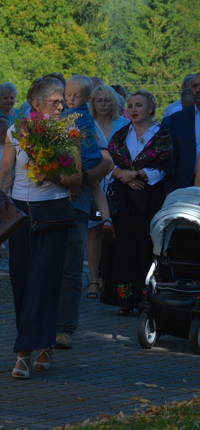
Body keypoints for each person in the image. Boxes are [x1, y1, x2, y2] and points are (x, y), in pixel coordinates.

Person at [0, 77, 81, 379]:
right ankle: (42, 342)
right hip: (20, 213)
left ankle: (24, 352)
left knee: (44, 281)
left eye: (62, 101)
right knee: (22, 281)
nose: (61, 106)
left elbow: (75, 181)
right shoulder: (14, 132)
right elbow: (5, 175)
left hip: (53, 213)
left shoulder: (68, 132)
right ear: (35, 103)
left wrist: (51, 174)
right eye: (55, 101)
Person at [54, 74, 113, 351]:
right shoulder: (40, 124)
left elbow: (106, 162)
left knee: (69, 266)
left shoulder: (81, 122)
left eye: (69, 97)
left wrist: (78, 176)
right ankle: (43, 324)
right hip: (46, 204)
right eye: (63, 97)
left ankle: (65, 327)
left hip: (76, 205)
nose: (64, 102)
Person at [101, 91, 172, 315]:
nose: (133, 109)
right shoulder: (121, 135)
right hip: (123, 200)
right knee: (122, 247)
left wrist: (138, 174)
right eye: (130, 105)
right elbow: (107, 164)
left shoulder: (162, 135)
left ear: (150, 108)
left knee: (146, 246)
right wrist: (122, 175)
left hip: (150, 200)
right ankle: (124, 299)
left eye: (139, 105)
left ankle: (147, 298)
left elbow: (165, 166)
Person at [85, 85, 129, 299]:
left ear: (114, 102)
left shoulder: (124, 124)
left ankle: (112, 279)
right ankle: (94, 280)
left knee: (117, 232)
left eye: (106, 100)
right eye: (98, 100)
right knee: (93, 231)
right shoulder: (87, 125)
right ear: (92, 103)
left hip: (119, 185)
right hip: (94, 184)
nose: (102, 104)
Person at [163, 72, 200, 190]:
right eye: (195, 86)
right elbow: (171, 158)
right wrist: (169, 190)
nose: (198, 89)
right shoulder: (178, 119)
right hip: (185, 185)